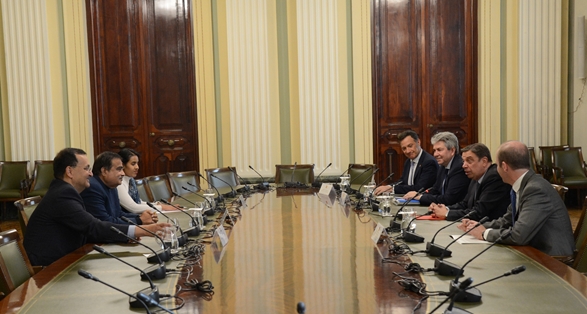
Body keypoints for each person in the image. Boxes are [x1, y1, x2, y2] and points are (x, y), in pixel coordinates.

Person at [23, 148, 170, 266]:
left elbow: (92, 227)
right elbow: (92, 226)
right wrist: (142, 230)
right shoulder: (63, 195)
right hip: (53, 266)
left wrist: (127, 235)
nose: (91, 173)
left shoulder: (65, 191)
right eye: (86, 169)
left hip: (69, 256)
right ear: (69, 171)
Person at [458, 141, 575, 257]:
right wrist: (478, 226)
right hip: (532, 249)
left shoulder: (535, 190)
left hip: (551, 258)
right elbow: (506, 221)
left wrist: (485, 233)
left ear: (504, 166)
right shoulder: (523, 185)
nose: (496, 170)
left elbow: (519, 235)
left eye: (497, 165)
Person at [429, 143, 511, 221]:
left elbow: (479, 212)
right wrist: (444, 208)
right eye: (463, 161)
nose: (464, 165)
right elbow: (465, 204)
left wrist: (447, 213)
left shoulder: (494, 178)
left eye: (469, 161)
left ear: (484, 161)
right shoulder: (476, 176)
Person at [81, 151, 157, 225]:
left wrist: (142, 217)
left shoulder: (112, 185)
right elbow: (105, 222)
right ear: (104, 171)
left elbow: (118, 214)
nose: (123, 173)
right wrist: (139, 220)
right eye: (119, 169)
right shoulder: (93, 188)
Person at [404, 131, 470, 206]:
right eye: (434, 150)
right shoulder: (443, 165)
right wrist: (418, 194)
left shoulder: (459, 167)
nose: (435, 154)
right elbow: (435, 190)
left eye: (439, 150)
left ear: (452, 150)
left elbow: (448, 199)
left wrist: (421, 197)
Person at [374, 130, 438, 195]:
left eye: (410, 146)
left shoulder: (429, 162)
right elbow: (402, 181)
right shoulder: (408, 161)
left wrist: (392, 189)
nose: (407, 151)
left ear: (418, 142)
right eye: (404, 148)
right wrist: (388, 187)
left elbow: (420, 188)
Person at [117, 148, 176, 213]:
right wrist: (162, 207)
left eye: (137, 163)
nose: (137, 167)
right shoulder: (118, 183)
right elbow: (133, 207)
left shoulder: (131, 180)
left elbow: (139, 202)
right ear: (123, 165)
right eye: (133, 164)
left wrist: (158, 204)